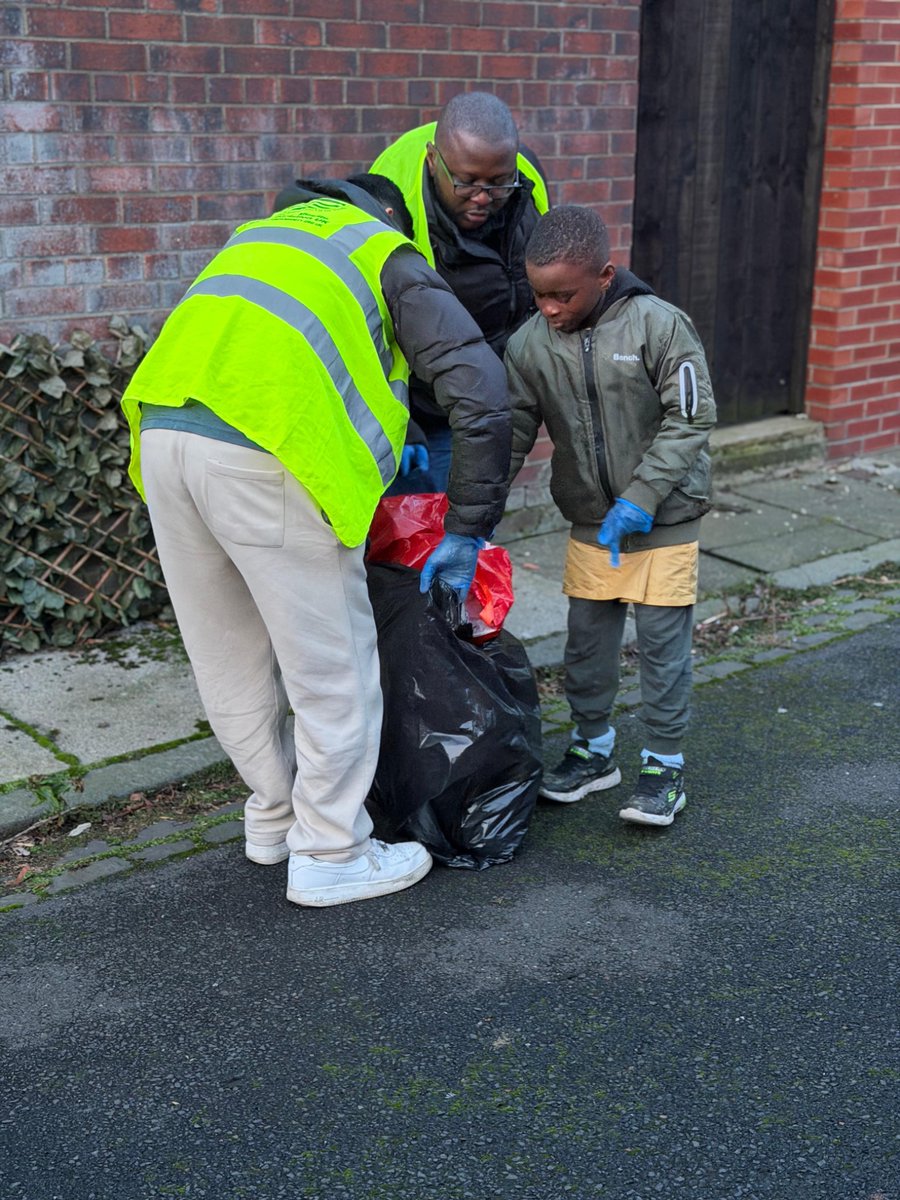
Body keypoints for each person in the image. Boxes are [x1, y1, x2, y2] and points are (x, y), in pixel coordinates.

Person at [120, 175, 512, 906]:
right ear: (389, 216)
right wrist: (466, 529)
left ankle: (273, 817)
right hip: (267, 455)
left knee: (229, 655)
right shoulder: (382, 249)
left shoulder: (261, 239)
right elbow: (481, 390)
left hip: (164, 441)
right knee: (331, 667)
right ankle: (332, 851)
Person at [504, 206, 716, 827]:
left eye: (563, 294)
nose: (549, 308)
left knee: (660, 646)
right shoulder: (528, 345)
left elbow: (692, 417)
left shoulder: (659, 326)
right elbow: (511, 432)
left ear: (604, 275)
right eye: (538, 293)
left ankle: (663, 766)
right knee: (587, 643)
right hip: (591, 520)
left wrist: (643, 496)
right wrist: (471, 514)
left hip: (664, 517)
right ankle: (594, 753)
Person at [367, 90, 550, 494]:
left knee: (470, 526)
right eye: (466, 183)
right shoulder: (391, 207)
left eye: (499, 183)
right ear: (435, 161)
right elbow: (370, 327)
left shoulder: (527, 179)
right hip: (417, 413)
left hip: (484, 406)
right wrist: (402, 421)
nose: (484, 197)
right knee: (410, 540)